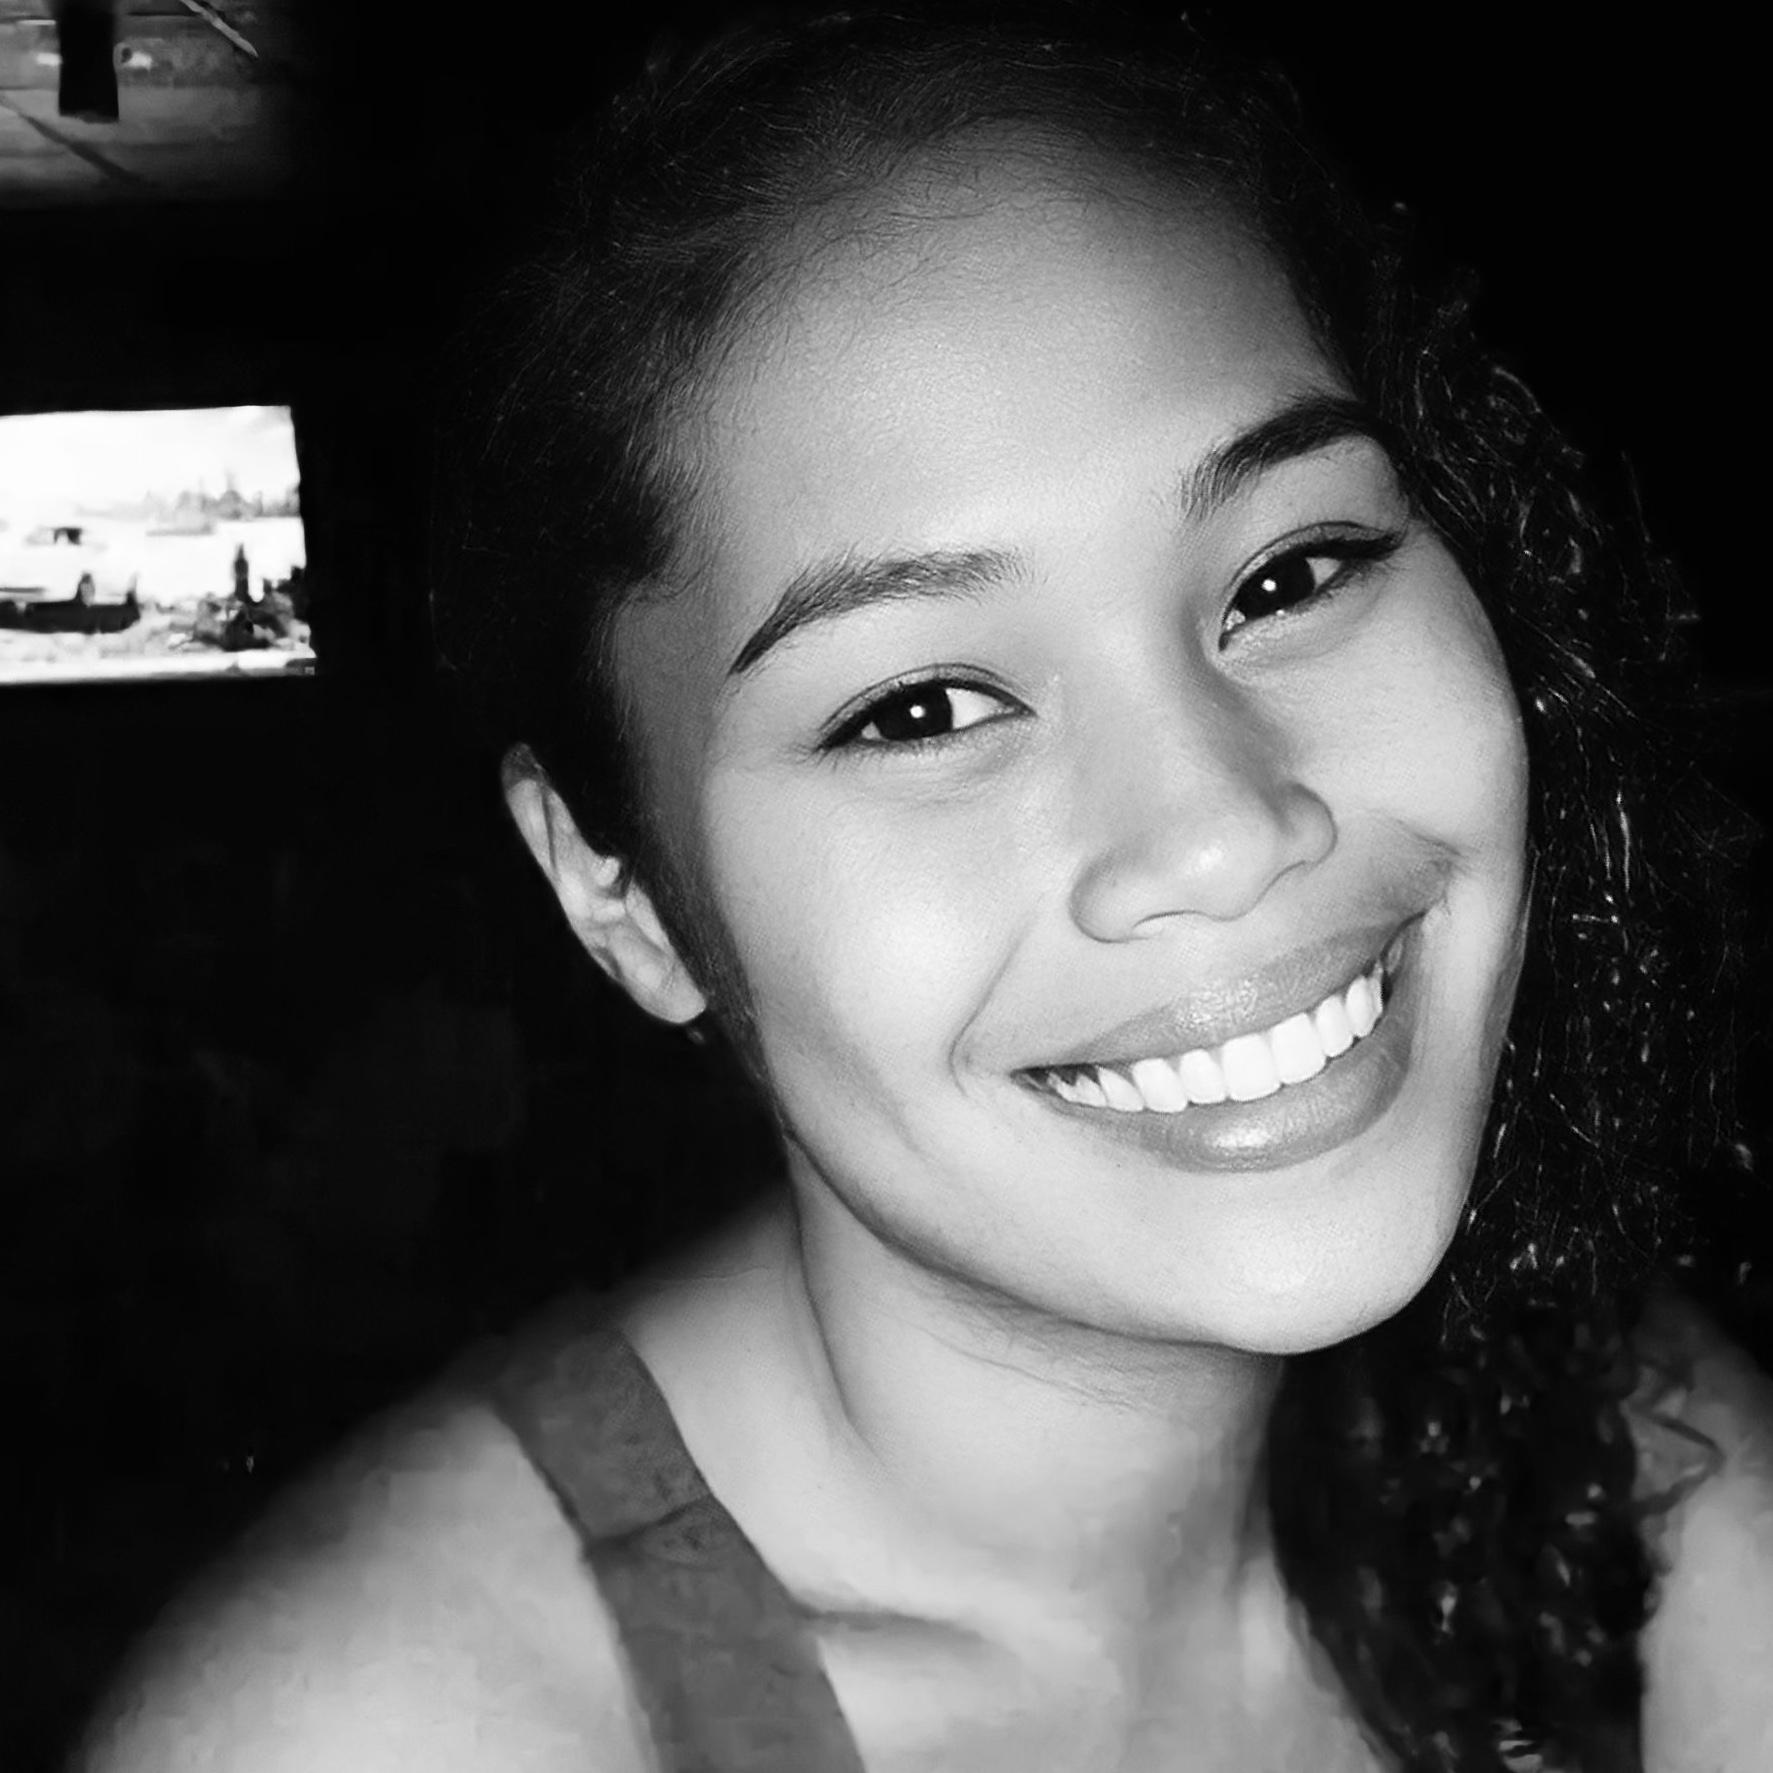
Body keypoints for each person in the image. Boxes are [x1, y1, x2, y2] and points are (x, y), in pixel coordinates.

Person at [73, 7, 1773, 1771]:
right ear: (620, 895)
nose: (1217, 829)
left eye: (1290, 571)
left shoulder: (1603, 1443)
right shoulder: (372, 1736)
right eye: (919, 709)